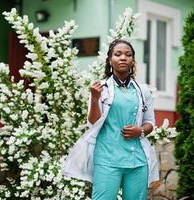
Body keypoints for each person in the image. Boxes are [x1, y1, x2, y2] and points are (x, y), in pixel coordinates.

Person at [62, 39, 159, 200]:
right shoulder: (100, 88)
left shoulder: (143, 91)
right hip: (107, 159)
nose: (123, 58)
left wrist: (140, 131)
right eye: (118, 54)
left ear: (132, 60)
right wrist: (94, 98)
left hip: (137, 160)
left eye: (128, 55)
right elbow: (93, 123)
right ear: (110, 60)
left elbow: (150, 122)